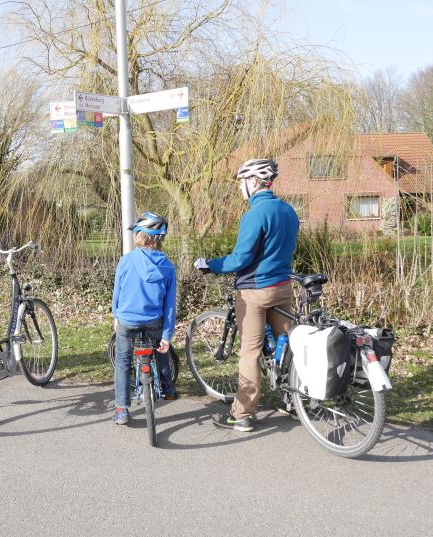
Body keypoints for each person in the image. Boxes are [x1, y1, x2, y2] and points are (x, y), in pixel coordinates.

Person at [195, 159, 299, 432]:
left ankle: (242, 414)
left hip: (255, 291)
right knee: (288, 346)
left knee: (250, 353)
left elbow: (241, 258)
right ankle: (299, 402)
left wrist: (212, 264)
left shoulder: (255, 214)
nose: (241, 190)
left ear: (253, 182)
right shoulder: (289, 211)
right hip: (283, 288)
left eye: (242, 183)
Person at [111, 211, 177, 425]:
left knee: (122, 361)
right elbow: (169, 306)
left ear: (140, 235)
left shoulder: (126, 261)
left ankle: (122, 409)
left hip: (127, 321)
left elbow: (118, 293)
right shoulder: (167, 267)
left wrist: (116, 315)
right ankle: (168, 388)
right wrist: (167, 335)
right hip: (153, 321)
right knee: (160, 348)